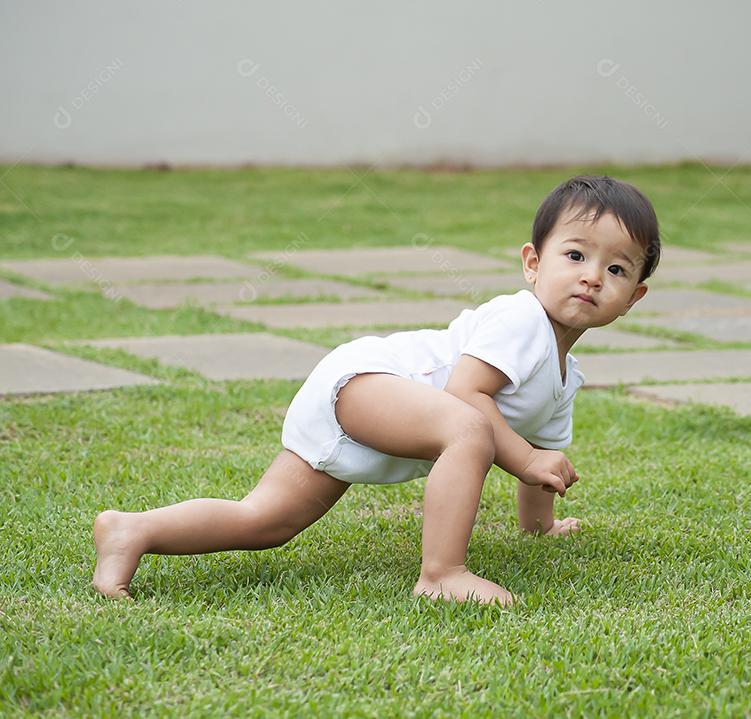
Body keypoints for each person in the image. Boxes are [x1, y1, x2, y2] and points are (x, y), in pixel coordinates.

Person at [92, 175, 661, 607]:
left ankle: (132, 530)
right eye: (575, 254)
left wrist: (539, 520)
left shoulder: (567, 374)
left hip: (371, 414)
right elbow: (467, 394)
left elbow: (535, 444)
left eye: (616, 269)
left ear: (634, 295)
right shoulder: (520, 321)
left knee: (267, 520)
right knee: (470, 427)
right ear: (533, 264)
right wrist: (528, 456)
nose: (591, 275)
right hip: (371, 384)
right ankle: (441, 574)